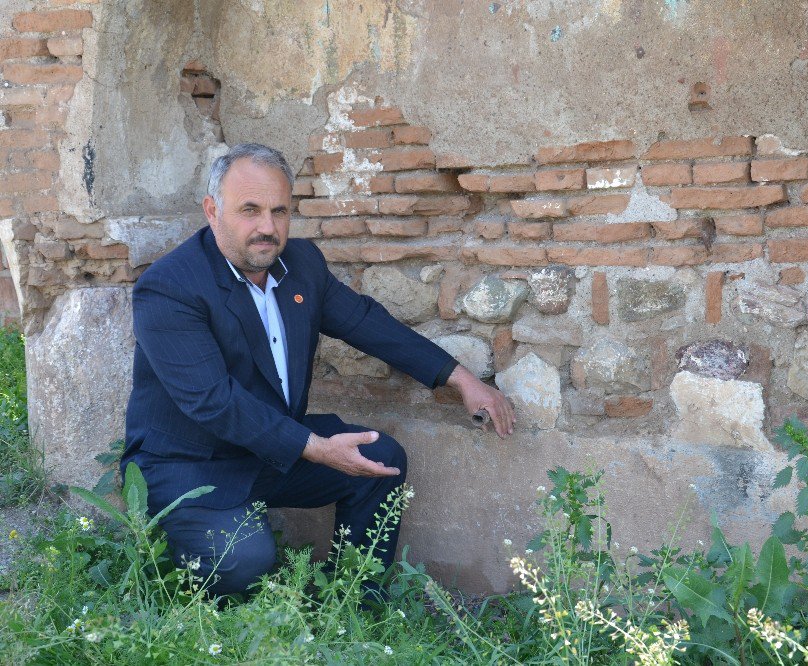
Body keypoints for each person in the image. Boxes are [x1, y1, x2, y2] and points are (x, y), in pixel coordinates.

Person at [121, 143, 515, 596]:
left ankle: (352, 605)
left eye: (279, 211)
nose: (267, 228)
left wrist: (460, 378)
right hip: (192, 464)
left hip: (267, 452)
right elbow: (213, 401)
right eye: (249, 210)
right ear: (213, 210)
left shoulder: (300, 264)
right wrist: (315, 447)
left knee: (381, 460)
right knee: (246, 557)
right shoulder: (169, 287)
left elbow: (365, 322)